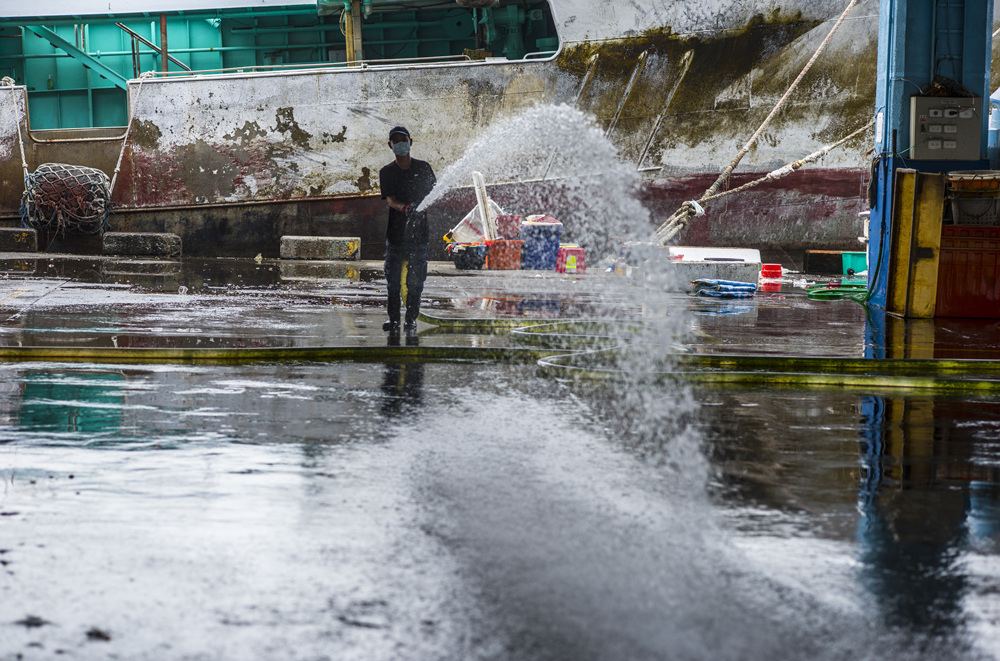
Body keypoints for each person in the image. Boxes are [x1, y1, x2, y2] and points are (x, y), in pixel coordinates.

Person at [378, 126, 436, 333]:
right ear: (390, 145)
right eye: (396, 141)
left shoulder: (423, 168)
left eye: (404, 140)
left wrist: (420, 209)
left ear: (410, 142)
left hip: (419, 236)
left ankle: (410, 320)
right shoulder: (386, 172)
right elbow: (390, 200)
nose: (400, 144)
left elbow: (433, 195)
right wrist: (405, 208)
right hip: (395, 235)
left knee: (416, 281)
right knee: (393, 282)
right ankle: (393, 319)